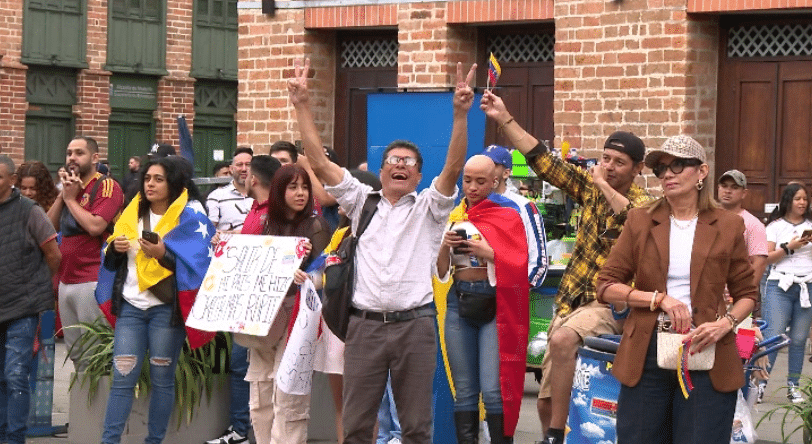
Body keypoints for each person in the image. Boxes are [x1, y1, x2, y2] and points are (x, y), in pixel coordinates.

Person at [289, 57, 476, 443]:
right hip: (364, 328)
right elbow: (321, 164)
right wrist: (302, 105)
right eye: (393, 160)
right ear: (382, 168)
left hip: (416, 327)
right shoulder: (362, 202)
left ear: (420, 175)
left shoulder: (430, 208)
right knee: (357, 426)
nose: (400, 166)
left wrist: (460, 115)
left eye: (409, 162)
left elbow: (454, 167)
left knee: (416, 427)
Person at [478, 90, 653, 444]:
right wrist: (504, 117)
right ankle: (552, 431)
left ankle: (557, 434)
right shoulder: (588, 186)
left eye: (619, 162)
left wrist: (603, 185)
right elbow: (543, 160)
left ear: (637, 169)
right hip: (570, 302)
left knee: (560, 339)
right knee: (544, 402)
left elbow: (636, 222)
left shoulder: (645, 203)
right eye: (606, 159)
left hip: (607, 303)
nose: (609, 166)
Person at [595, 135, 758, 443]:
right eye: (661, 169)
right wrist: (658, 299)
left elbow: (748, 294)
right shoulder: (640, 219)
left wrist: (726, 324)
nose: (667, 174)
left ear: (702, 171)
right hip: (647, 349)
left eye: (678, 165)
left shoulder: (728, 225)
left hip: (706, 349)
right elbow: (605, 285)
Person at [96, 156, 215, 444]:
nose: (150, 184)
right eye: (147, 178)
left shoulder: (191, 219)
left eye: (158, 179)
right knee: (123, 381)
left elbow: (198, 267)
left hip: (165, 311)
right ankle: (109, 441)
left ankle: (154, 441)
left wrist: (165, 254)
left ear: (173, 183)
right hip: (131, 308)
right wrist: (114, 249)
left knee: (163, 382)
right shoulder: (130, 213)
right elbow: (111, 261)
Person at [436, 155, 529, 443]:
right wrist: (444, 246)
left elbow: (519, 264)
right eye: (467, 180)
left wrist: (488, 252)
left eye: (480, 181)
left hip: (495, 303)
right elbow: (440, 272)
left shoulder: (508, 215)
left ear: (495, 182)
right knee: (463, 389)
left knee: (492, 389)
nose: (472, 187)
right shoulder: (453, 216)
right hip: (458, 300)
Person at [235, 164, 330, 444]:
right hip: (262, 313)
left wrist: (309, 277)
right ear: (279, 190)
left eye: (304, 187)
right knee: (260, 393)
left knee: (288, 396)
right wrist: (224, 246)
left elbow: (325, 275)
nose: (300, 193)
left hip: (297, 314)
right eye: (293, 187)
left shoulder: (316, 226)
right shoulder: (265, 223)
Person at [46, 136, 124, 371]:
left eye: (79, 153)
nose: (72, 157)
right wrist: (63, 195)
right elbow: (48, 229)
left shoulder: (106, 186)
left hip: (93, 279)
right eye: (69, 152)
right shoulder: (70, 189)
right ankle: (84, 407)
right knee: (77, 354)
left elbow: (95, 226)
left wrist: (71, 200)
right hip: (66, 280)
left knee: (97, 353)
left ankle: (100, 407)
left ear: (94, 158)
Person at [0, 155, 61, 444]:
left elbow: (54, 255)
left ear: (11, 179)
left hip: (23, 307)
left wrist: (35, 288)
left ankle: (14, 437)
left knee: (15, 376)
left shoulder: (29, 211)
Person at [205, 146, 254, 444]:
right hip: (229, 282)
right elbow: (211, 237)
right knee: (238, 362)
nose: (244, 168)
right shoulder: (217, 197)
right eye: (239, 164)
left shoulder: (267, 199)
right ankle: (239, 429)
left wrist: (234, 235)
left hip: (263, 285)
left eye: (249, 164)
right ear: (231, 168)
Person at [760, 183, 812, 403]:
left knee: (799, 339)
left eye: (805, 199)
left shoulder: (810, 225)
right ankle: (760, 384)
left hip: (806, 286)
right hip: (780, 285)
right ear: (788, 200)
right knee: (773, 337)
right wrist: (790, 247)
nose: (802, 203)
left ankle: (793, 387)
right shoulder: (775, 226)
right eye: (798, 198)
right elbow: (765, 257)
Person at [481, 145, 548, 291]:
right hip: (468, 294)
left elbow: (538, 261)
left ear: (506, 173)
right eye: (483, 163)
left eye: (493, 165)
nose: (486, 169)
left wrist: (520, 288)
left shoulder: (524, 207)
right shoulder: (468, 204)